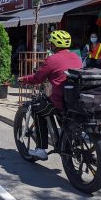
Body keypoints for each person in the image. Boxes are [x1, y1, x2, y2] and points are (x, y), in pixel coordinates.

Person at [18, 30, 83, 160]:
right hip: (76, 99)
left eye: (51, 43)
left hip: (60, 101)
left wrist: (23, 79)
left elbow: (37, 78)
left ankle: (41, 149)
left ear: (54, 44)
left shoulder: (52, 59)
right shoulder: (77, 57)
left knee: (38, 109)